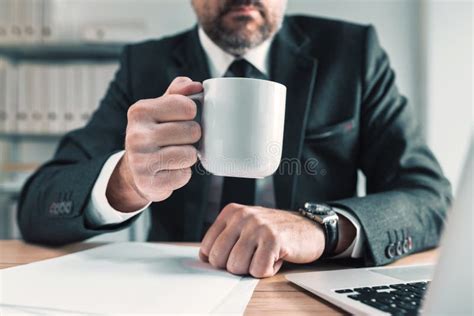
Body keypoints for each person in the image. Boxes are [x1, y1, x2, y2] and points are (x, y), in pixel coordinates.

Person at [18, 0, 451, 278]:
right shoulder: (144, 64)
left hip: (307, 288)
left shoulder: (353, 53)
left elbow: (431, 198)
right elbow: (39, 205)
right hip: (177, 290)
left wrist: (321, 226)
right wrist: (126, 180)